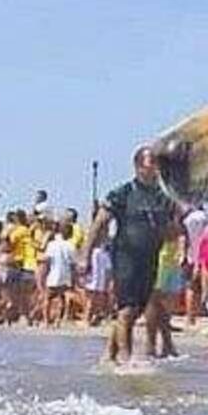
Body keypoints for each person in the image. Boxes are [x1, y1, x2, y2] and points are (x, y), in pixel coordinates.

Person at [87, 146, 177, 363]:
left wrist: (174, 230)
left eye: (158, 164)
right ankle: (126, 359)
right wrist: (86, 253)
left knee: (136, 309)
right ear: (138, 167)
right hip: (125, 257)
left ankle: (109, 354)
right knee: (127, 308)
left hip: (151, 258)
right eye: (151, 164)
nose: (156, 169)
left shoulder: (164, 196)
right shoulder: (123, 193)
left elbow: (172, 229)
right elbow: (100, 221)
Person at [40, 220, 79, 327]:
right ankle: (58, 320)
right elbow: (73, 264)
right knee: (62, 297)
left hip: (53, 274)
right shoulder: (71, 246)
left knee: (48, 297)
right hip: (65, 275)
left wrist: (43, 276)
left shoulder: (52, 245)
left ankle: (46, 321)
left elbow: (47, 261)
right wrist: (75, 279)